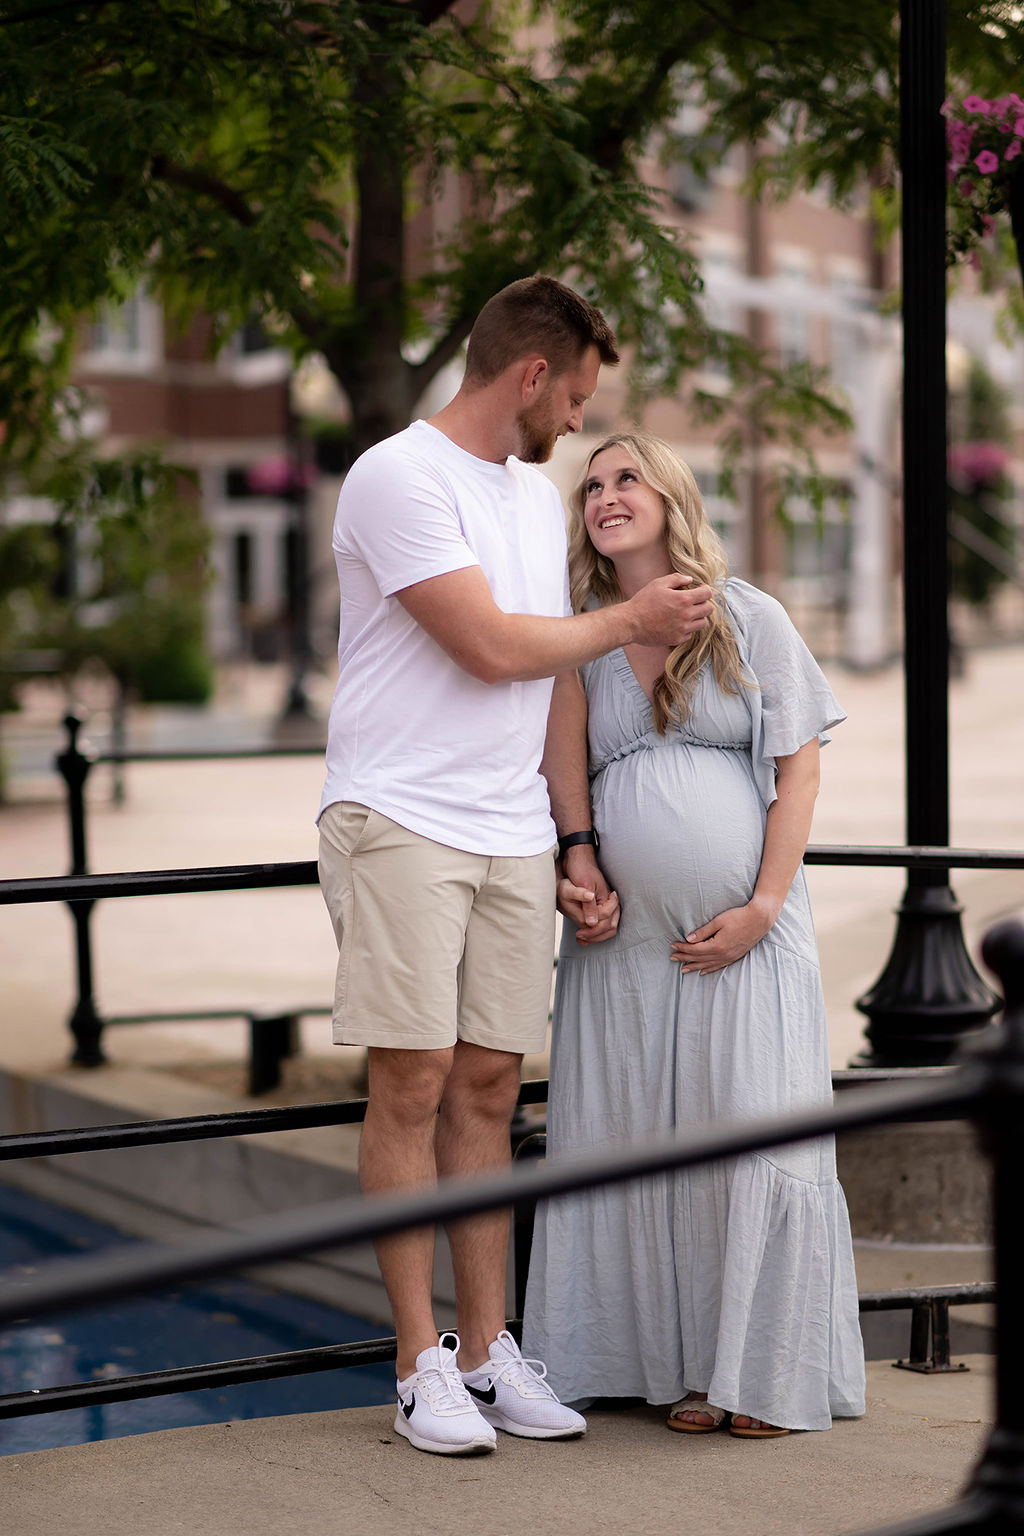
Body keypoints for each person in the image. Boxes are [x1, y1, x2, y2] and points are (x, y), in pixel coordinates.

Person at [316, 281, 715, 1457]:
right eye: (578, 397)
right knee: (414, 1082)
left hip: (503, 830)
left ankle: (488, 1351)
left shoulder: (532, 498)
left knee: (490, 1086)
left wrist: (566, 839)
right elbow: (491, 644)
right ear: (531, 375)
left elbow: (543, 685)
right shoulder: (398, 475)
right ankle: (415, 1364)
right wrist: (631, 620)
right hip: (399, 816)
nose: (581, 424)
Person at [523, 432, 866, 1437]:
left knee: (748, 1131)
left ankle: (760, 1376)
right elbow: (562, 771)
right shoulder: (579, 636)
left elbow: (798, 770)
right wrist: (577, 859)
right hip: (622, 947)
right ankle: (669, 1365)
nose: (605, 495)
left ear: (671, 498)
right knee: (638, 1139)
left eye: (626, 477)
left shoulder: (743, 612)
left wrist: (762, 904)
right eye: (590, 485)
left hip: (746, 933)